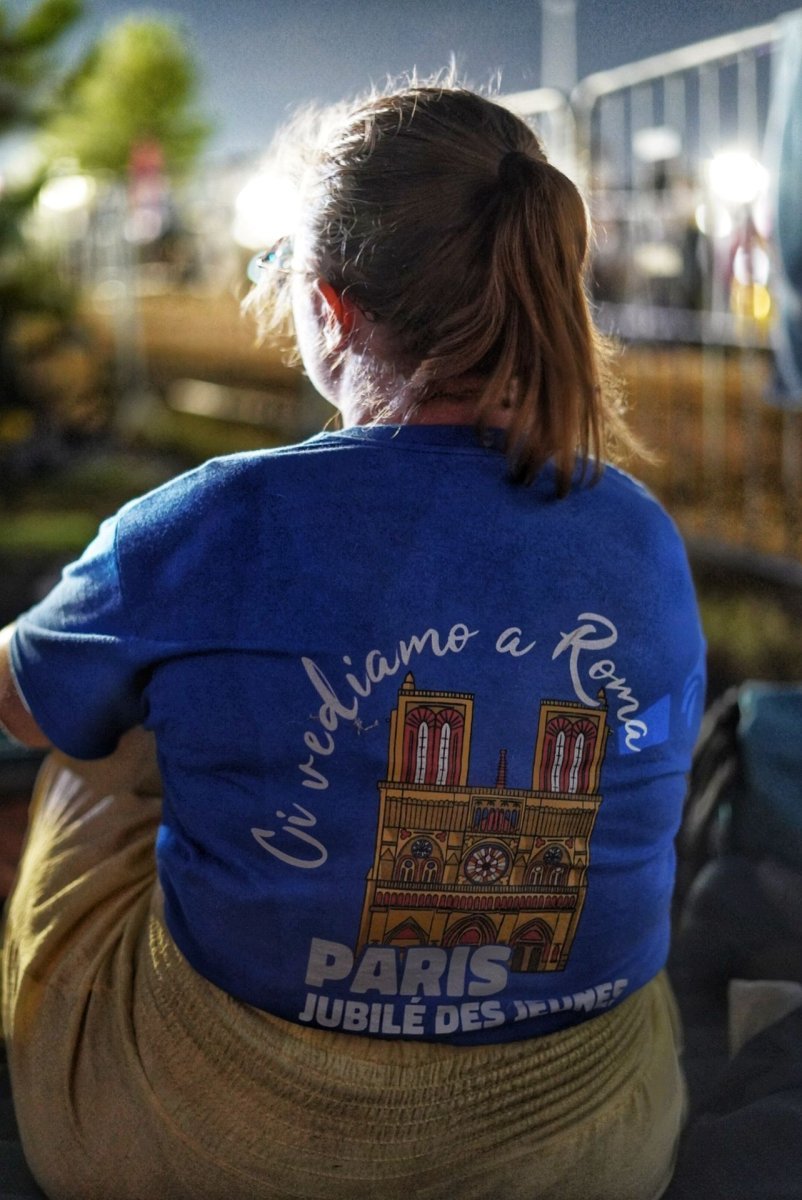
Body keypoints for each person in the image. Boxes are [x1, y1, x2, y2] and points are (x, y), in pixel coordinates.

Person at [0, 82, 705, 1200]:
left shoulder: (212, 521)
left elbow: (20, 700)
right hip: (592, 1145)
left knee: (97, 736)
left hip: (217, 1145)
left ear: (329, 304)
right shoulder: (641, 535)